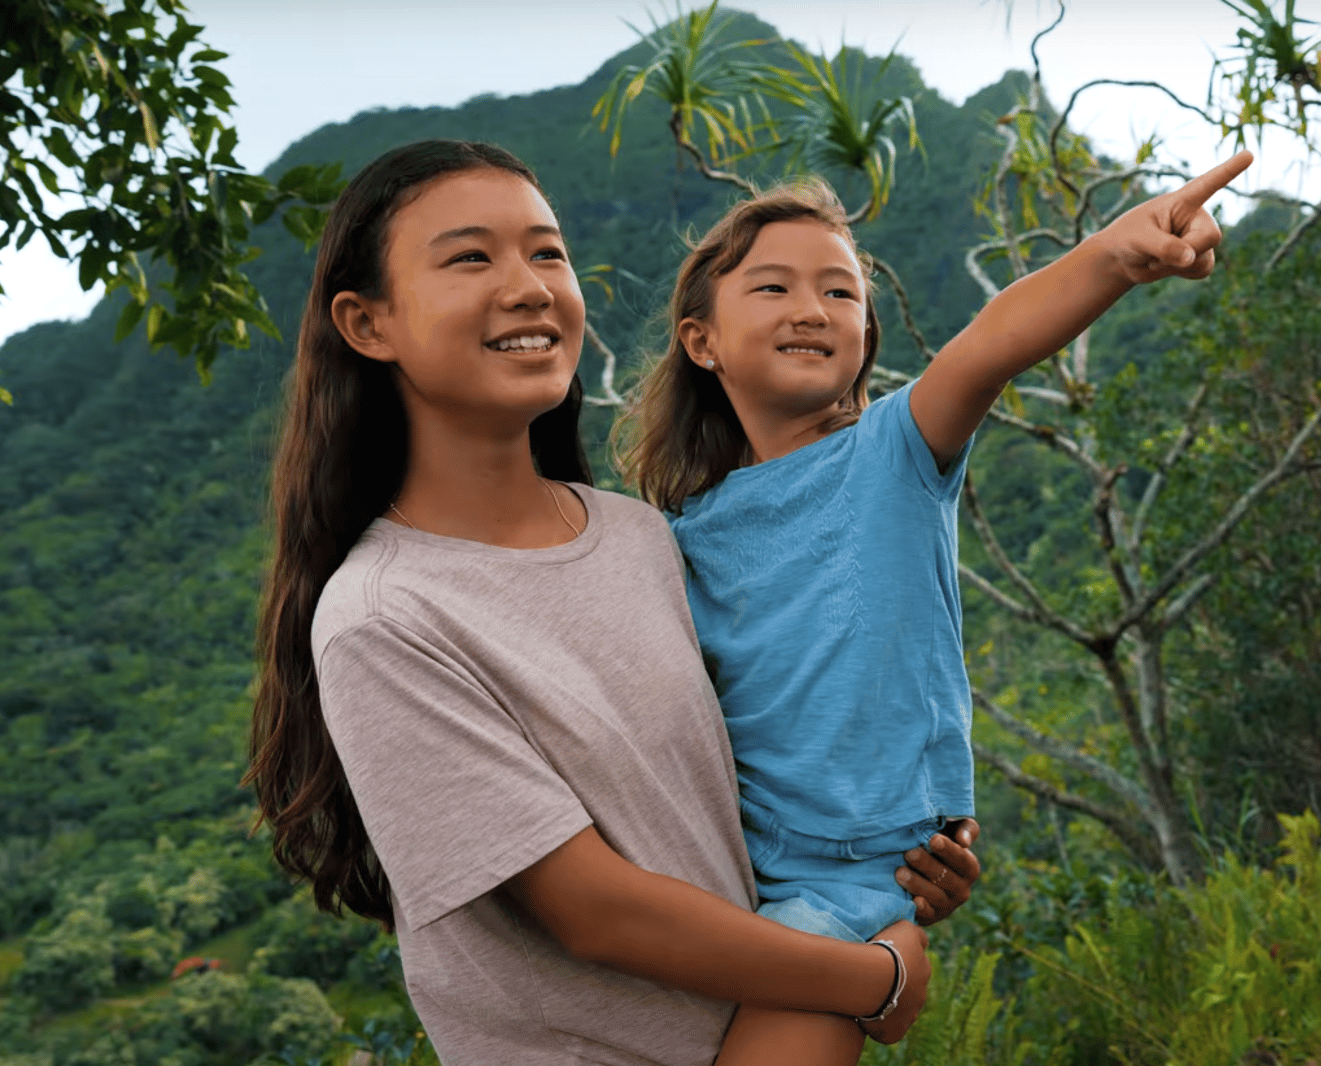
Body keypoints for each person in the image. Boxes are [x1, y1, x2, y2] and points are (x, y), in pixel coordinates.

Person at [242, 139, 982, 1066]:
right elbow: (593, 912)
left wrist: (899, 848)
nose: (528, 286)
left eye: (547, 253)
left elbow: (768, 753)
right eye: (472, 257)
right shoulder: (386, 618)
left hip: (781, 1025)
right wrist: (876, 979)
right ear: (367, 322)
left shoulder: (640, 538)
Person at [619, 153, 1254, 1064]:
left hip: (848, 885)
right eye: (772, 287)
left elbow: (994, 339)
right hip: (720, 874)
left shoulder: (894, 455)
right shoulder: (678, 533)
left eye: (841, 293)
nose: (812, 308)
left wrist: (1119, 251)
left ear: (866, 336)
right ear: (700, 339)